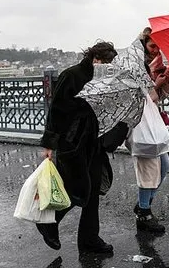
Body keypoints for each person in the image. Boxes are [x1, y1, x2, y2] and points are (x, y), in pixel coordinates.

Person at [37, 41, 118, 255]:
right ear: (95, 58)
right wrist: (49, 143)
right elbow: (56, 111)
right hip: (72, 143)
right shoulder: (71, 75)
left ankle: (89, 240)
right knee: (78, 189)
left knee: (92, 192)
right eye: (105, 63)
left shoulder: (105, 79)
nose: (107, 68)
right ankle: (49, 223)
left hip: (94, 142)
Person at [131, 27, 169, 233]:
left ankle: (143, 205)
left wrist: (164, 82)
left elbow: (157, 98)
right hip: (141, 124)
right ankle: (144, 212)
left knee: (164, 165)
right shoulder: (135, 66)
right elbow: (139, 100)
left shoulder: (153, 65)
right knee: (149, 170)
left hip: (153, 122)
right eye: (152, 45)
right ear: (144, 45)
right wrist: (156, 84)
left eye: (159, 46)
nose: (156, 50)